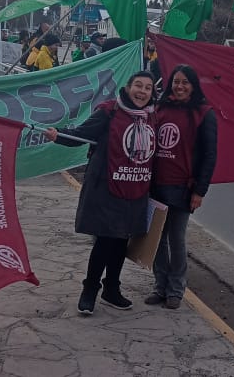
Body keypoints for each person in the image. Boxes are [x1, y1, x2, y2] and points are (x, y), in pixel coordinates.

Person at [44, 72, 158, 316]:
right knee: (105, 240)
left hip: (136, 188)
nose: (142, 91)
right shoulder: (109, 112)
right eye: (138, 85)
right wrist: (58, 134)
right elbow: (82, 134)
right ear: (127, 88)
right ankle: (90, 289)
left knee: (121, 241)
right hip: (108, 187)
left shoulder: (152, 118)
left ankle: (112, 289)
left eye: (148, 88)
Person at [145, 65, 218, 310]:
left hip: (183, 188)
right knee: (156, 239)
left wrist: (200, 191)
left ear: (194, 85)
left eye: (185, 82)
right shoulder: (159, 109)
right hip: (156, 186)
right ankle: (160, 285)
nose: (180, 86)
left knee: (176, 239)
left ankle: (176, 289)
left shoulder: (204, 113)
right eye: (176, 81)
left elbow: (209, 155)